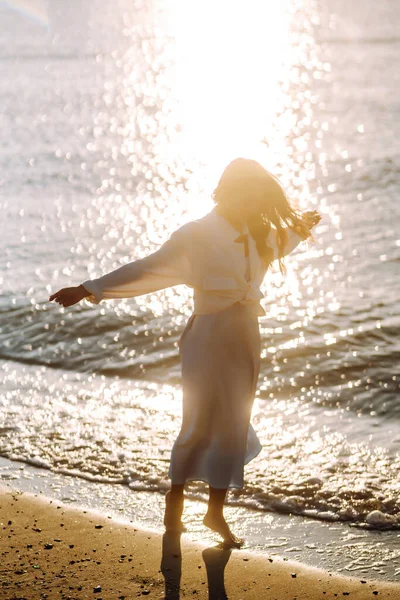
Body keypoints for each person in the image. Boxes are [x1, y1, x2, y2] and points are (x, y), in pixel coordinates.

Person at [49, 157, 321, 547]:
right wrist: (90, 288)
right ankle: (173, 507)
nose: (253, 205)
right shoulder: (197, 234)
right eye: (248, 196)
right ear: (228, 191)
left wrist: (302, 224)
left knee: (234, 425)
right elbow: (149, 267)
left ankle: (215, 513)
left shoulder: (259, 232)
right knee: (197, 422)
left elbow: (283, 243)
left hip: (245, 335)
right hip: (207, 337)